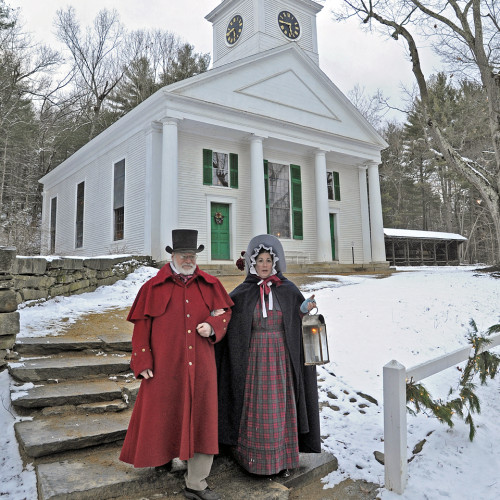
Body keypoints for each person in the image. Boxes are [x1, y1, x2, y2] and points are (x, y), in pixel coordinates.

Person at [120, 229, 233, 500]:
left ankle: (196, 483)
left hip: (201, 368)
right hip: (164, 368)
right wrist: (142, 358)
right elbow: (141, 327)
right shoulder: (152, 287)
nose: (188, 259)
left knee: (201, 419)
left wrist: (214, 326)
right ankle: (161, 457)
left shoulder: (210, 284)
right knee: (162, 413)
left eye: (192, 255)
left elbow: (225, 312)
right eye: (183, 255)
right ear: (172, 255)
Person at [215, 234, 321, 477]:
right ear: (252, 263)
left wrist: (304, 309)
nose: (264, 265)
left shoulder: (288, 289)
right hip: (254, 360)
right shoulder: (242, 293)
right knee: (256, 406)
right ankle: (253, 459)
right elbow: (228, 317)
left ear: (275, 263)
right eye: (260, 260)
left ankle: (282, 459)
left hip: (281, 358)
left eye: (268, 261)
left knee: (280, 407)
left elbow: (297, 318)